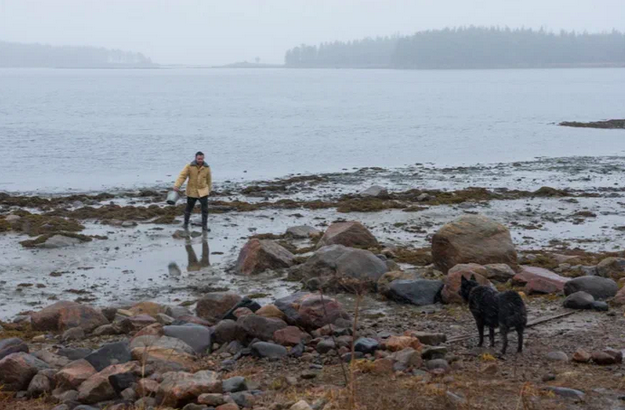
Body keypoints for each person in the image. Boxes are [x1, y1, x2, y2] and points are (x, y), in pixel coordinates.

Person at [174, 151, 212, 231]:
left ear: (203, 158)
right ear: (195, 158)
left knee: (205, 210)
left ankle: (204, 226)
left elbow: (209, 180)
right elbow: (182, 176)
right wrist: (177, 185)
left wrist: (209, 190)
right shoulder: (189, 166)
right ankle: (185, 224)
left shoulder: (207, 167)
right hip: (192, 191)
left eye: (201, 159)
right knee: (189, 208)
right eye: (198, 159)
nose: (200, 160)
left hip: (203, 191)